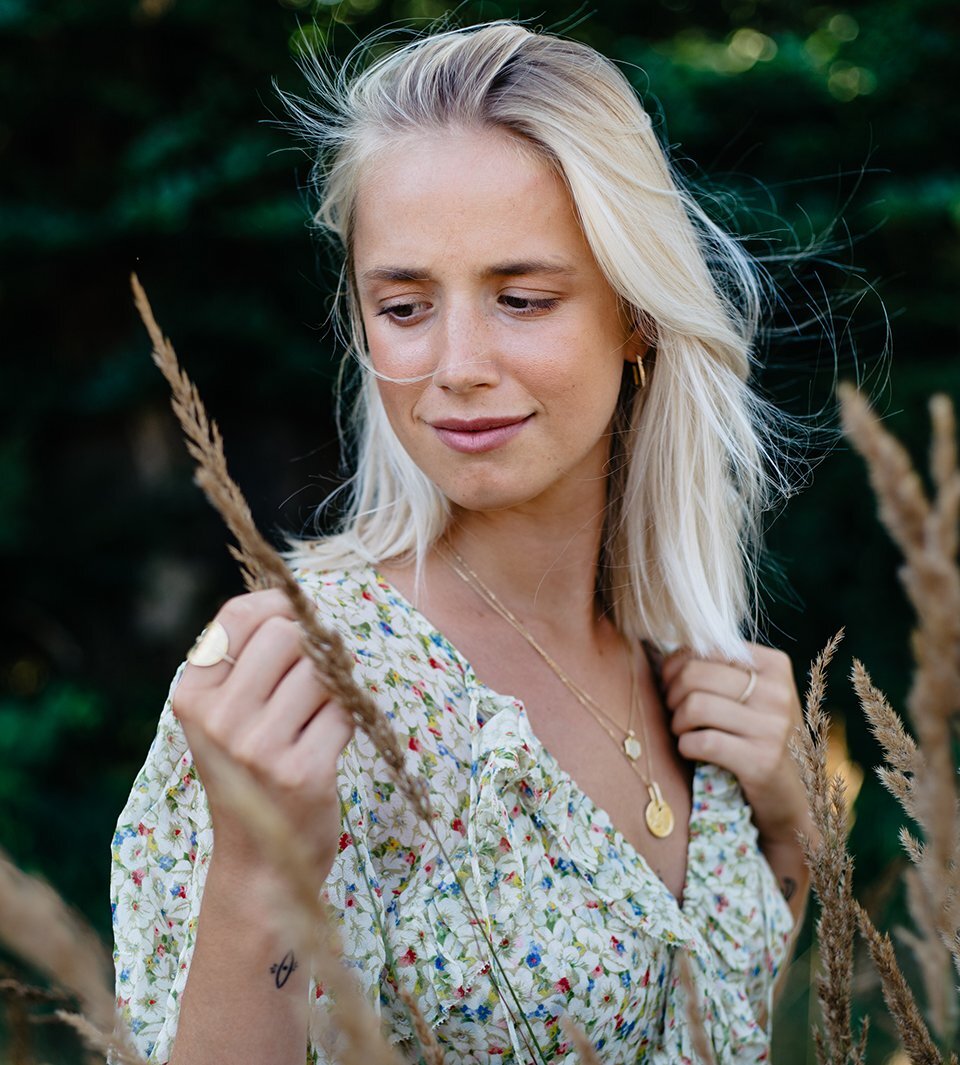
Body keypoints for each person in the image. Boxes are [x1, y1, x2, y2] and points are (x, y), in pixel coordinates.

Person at [111, 21, 813, 1065]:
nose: (457, 364)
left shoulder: (691, 666)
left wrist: (796, 829)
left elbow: (722, 1018)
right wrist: (260, 876)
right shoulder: (301, 684)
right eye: (404, 305)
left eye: (521, 298)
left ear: (638, 316)